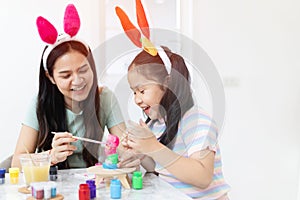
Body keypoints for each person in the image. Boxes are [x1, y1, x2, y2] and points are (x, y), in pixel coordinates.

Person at [11, 4, 136, 169]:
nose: (77, 81)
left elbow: (122, 147)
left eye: (83, 70)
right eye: (66, 75)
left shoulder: (105, 98)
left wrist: (127, 154)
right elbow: (16, 162)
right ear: (51, 77)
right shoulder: (39, 103)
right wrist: (50, 156)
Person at [123, 46, 231, 199]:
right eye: (134, 92)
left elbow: (202, 177)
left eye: (142, 91)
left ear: (167, 83)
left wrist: (153, 147)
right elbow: (161, 167)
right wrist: (142, 153)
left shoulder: (196, 121)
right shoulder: (157, 124)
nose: (137, 100)